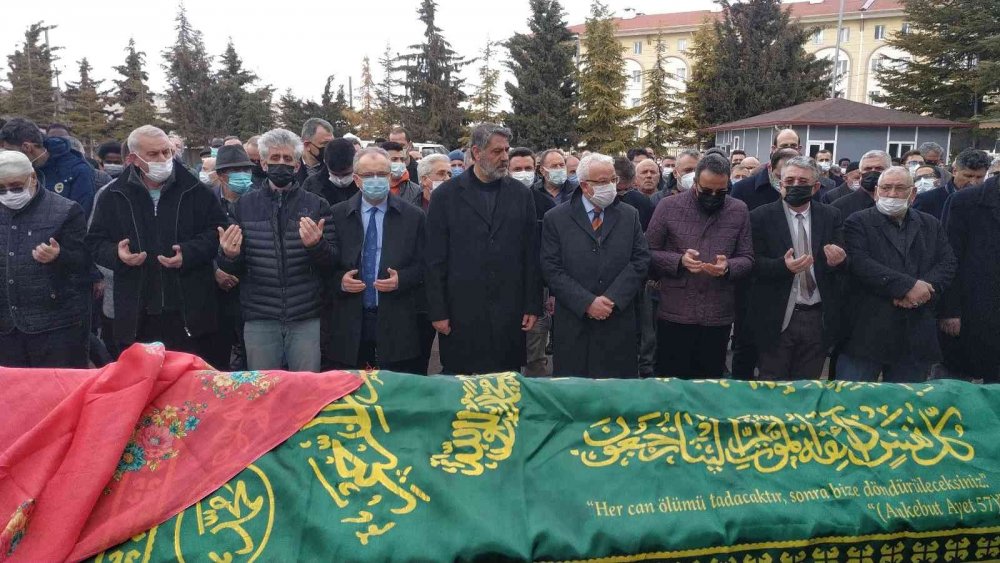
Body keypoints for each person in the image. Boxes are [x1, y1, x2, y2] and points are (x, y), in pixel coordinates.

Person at [86, 125, 226, 353]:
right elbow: (94, 242)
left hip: (188, 312)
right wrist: (117, 255)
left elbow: (218, 232)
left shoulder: (195, 190)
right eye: (153, 154)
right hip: (137, 314)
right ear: (133, 159)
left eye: (166, 152)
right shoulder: (113, 196)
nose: (163, 159)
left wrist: (189, 253)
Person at [217, 128, 337, 372]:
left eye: (287, 159)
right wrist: (228, 256)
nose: (281, 164)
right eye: (274, 159)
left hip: (305, 315)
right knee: (263, 390)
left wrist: (317, 246)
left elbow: (332, 261)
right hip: (260, 316)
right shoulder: (244, 206)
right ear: (263, 163)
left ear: (296, 165)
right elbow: (233, 266)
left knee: (305, 389)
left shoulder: (316, 204)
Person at [425, 123, 542, 374]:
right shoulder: (446, 196)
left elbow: (530, 253)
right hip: (461, 312)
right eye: (497, 151)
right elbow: (435, 258)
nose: (504, 158)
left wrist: (532, 304)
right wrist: (438, 310)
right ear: (477, 153)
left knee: (506, 386)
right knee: (462, 389)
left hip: (508, 312)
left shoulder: (521, 194)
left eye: (506, 151)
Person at [838, 166, 956, 382]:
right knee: (853, 403)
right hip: (867, 330)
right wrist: (907, 287)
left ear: (913, 194)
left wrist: (923, 290)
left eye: (900, 188)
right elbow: (860, 263)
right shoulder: (857, 222)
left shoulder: (930, 223)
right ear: (876, 192)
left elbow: (947, 263)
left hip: (915, 329)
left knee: (907, 406)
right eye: (886, 187)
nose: (892, 194)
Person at [540, 153, 650, 378]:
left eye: (612, 180)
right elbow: (551, 268)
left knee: (616, 394)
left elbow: (640, 260)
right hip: (575, 322)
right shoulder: (556, 218)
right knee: (575, 392)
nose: (609, 186)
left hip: (617, 319)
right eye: (601, 182)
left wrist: (612, 299)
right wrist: (587, 302)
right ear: (584, 185)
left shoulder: (630, 215)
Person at [646, 154, 753, 378]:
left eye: (720, 192)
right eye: (707, 191)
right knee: (671, 382)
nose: (713, 197)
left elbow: (747, 258)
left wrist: (728, 267)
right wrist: (679, 261)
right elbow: (647, 253)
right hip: (676, 313)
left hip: (717, 313)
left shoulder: (738, 210)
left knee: (709, 384)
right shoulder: (668, 206)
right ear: (694, 183)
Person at [328, 147, 426, 372]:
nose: (375, 180)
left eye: (381, 174)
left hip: (396, 319)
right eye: (368, 175)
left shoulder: (413, 217)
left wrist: (402, 279)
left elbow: (425, 266)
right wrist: (340, 281)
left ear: (390, 175)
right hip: (351, 320)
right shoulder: (337, 215)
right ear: (356, 179)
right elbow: (325, 266)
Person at [748, 156, 847, 380]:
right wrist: (783, 266)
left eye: (802, 182)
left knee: (807, 387)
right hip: (778, 316)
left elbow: (843, 260)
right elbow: (752, 262)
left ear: (816, 187)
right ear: (779, 183)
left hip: (816, 316)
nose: (795, 186)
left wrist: (838, 261)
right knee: (772, 384)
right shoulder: (760, 217)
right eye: (789, 180)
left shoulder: (831, 215)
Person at [0, 151, 90, 367]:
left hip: (55, 327)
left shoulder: (65, 210)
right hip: (6, 328)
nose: (9, 194)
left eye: (15, 186)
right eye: (1, 189)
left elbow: (86, 262)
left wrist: (59, 256)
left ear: (32, 177)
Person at [728, 147, 797, 379]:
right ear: (770, 169)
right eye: (783, 176)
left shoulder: (807, 193)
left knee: (778, 355)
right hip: (752, 284)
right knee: (745, 347)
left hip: (791, 290)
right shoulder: (744, 190)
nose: (791, 183)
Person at [939, 172, 1000, 383]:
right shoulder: (966, 201)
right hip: (972, 309)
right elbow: (949, 258)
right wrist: (949, 310)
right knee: (956, 389)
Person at [202, 144, 255, 370]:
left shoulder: (258, 199)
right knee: (218, 353)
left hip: (251, 287)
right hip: (215, 292)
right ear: (222, 176)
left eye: (246, 170)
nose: (243, 176)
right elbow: (197, 241)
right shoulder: (204, 201)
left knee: (250, 352)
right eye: (236, 171)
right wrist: (216, 270)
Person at [510, 147, 553, 376]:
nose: (523, 173)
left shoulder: (546, 205)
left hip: (537, 289)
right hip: (505, 290)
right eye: (517, 169)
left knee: (535, 355)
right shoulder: (500, 201)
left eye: (527, 168)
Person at [0, 117, 95, 219]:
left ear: (27, 147)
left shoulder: (77, 170)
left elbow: (81, 217)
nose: (6, 155)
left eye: (9, 150)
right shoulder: (14, 171)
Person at [730, 129, 800, 211]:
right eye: (784, 146)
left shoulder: (809, 187)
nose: (788, 150)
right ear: (774, 149)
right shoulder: (742, 189)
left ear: (799, 149)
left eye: (793, 146)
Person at [914, 148, 990, 220]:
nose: (973, 182)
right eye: (968, 176)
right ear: (954, 171)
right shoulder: (926, 200)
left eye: (979, 177)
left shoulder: (990, 202)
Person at [832, 150, 890, 220]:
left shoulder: (897, 204)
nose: (873, 172)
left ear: (889, 171)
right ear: (860, 173)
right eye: (867, 169)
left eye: (879, 168)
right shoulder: (839, 207)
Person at [304, 138, 360, 206]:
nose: (340, 180)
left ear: (356, 162)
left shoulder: (365, 184)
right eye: (335, 174)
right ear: (325, 161)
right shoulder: (311, 186)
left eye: (346, 174)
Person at [617, 158, 655, 231]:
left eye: (627, 189)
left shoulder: (643, 202)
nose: (622, 194)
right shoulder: (597, 200)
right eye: (617, 190)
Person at [381, 141, 422, 207]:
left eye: (402, 159)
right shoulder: (372, 187)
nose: (399, 162)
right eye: (394, 159)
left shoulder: (415, 190)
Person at [297, 117, 334, 184]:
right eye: (325, 144)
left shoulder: (335, 169)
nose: (330, 147)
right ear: (307, 145)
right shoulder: (292, 168)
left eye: (332, 143)